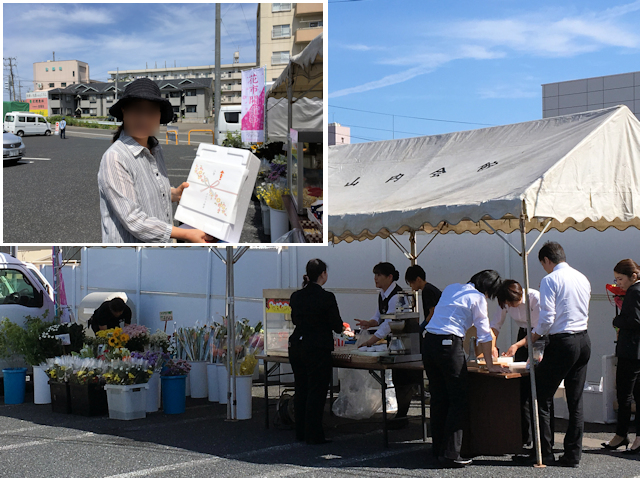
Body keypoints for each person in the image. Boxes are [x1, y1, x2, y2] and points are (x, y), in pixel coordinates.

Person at [98, 78, 214, 243]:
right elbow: (134, 220)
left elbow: (146, 192)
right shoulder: (116, 157)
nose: (144, 118)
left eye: (151, 111)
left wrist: (173, 194)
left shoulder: (155, 149)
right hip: (130, 258)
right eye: (137, 110)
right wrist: (186, 234)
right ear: (124, 111)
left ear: (159, 115)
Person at [506, 241, 591, 468]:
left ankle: (543, 452)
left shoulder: (550, 279)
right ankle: (573, 454)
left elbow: (547, 318)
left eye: (543, 264)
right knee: (575, 400)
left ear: (546, 260)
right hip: (583, 339)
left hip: (563, 341)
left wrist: (531, 338)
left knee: (541, 395)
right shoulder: (582, 277)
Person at [422, 270, 504, 468]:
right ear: (487, 289)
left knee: (439, 397)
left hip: (428, 342)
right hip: (448, 345)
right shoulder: (477, 298)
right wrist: (491, 365)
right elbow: (485, 334)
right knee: (458, 398)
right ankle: (451, 453)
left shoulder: (452, 288)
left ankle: (438, 449)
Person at [355, 262, 420, 428]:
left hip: (406, 340)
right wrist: (369, 323)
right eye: (375, 275)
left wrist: (370, 341)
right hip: (395, 340)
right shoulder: (382, 294)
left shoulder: (398, 295)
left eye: (379, 275)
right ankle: (401, 416)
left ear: (389, 277)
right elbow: (379, 317)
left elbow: (389, 323)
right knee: (398, 378)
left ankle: (402, 416)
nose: (375, 279)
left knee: (403, 378)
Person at [289, 259, 343, 444]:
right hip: (317, 347)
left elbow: (295, 320)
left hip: (297, 345)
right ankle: (314, 434)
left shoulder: (296, 296)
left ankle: (300, 431)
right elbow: (337, 325)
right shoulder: (327, 297)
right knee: (316, 391)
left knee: (301, 388)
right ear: (323, 275)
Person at [494, 280, 551, 451]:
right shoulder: (504, 301)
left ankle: (541, 439)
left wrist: (517, 345)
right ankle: (523, 436)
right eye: (508, 304)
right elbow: (495, 325)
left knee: (539, 388)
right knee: (521, 386)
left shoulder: (535, 298)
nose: (511, 306)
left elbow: (540, 329)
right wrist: (491, 346)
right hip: (523, 335)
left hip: (539, 336)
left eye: (513, 302)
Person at [602, 259, 640, 454]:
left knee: (625, 394)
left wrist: (617, 319)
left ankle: (621, 433)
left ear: (633, 276)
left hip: (631, 350)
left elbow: (634, 320)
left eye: (620, 279)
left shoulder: (634, 292)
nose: (618, 283)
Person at [405, 264, 442, 329]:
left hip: (437, 326)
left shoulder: (427, 291)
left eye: (411, 282)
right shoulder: (430, 288)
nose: (411, 286)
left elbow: (432, 312)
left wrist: (422, 326)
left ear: (418, 279)